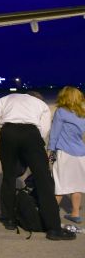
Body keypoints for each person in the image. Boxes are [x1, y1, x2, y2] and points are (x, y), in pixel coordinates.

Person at [0, 91, 76, 240]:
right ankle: (54, 228)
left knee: (8, 177)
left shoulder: (7, 98)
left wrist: (2, 128)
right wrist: (34, 141)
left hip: (8, 132)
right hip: (30, 133)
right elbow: (45, 128)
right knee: (44, 180)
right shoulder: (41, 103)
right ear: (36, 98)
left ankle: (8, 219)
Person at [48, 86, 85, 224]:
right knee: (77, 185)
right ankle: (75, 214)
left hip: (65, 152)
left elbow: (55, 133)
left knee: (60, 184)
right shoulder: (83, 113)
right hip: (81, 153)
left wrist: (50, 151)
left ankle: (50, 214)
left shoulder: (61, 112)